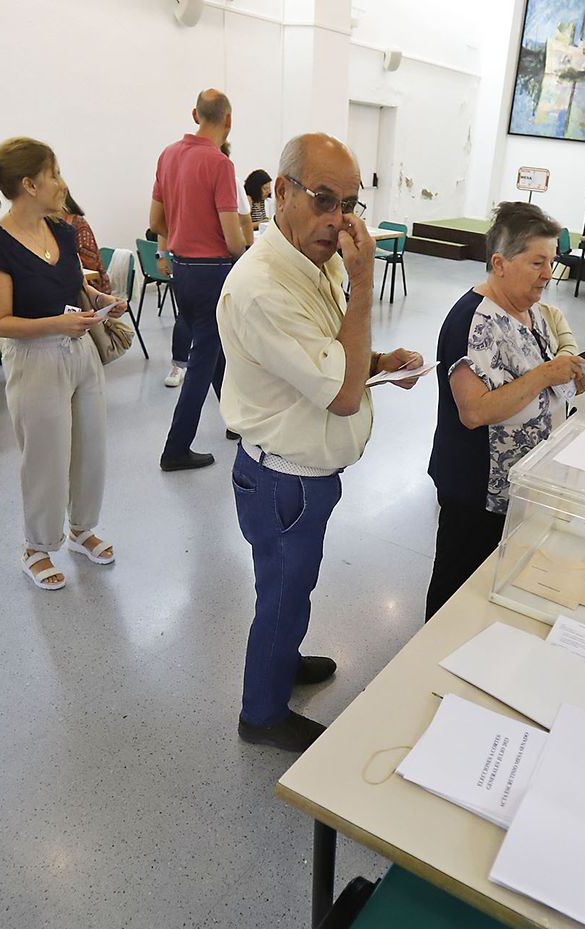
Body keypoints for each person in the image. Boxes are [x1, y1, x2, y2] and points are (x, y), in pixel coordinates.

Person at [217, 132, 424, 752]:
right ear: (281, 192)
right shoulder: (261, 288)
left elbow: (334, 348)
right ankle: (261, 713)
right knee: (281, 592)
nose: (338, 222)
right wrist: (365, 285)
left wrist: (380, 358)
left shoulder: (316, 255)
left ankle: (285, 656)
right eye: (324, 200)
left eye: (349, 205)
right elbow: (338, 392)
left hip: (305, 475)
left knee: (293, 586)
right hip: (283, 481)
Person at [0, 137, 127, 591]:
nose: (61, 183)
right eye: (54, 174)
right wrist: (56, 324)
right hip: (34, 359)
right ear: (29, 184)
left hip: (80, 352)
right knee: (45, 457)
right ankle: (36, 547)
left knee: (91, 446)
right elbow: (0, 322)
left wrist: (100, 300)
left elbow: (75, 285)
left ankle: (82, 530)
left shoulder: (61, 230)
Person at [425, 202, 585, 619]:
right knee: (456, 584)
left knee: (492, 585)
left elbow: (538, 376)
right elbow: (474, 411)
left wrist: (571, 381)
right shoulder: (473, 321)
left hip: (518, 484)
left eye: (550, 261)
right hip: (477, 488)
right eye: (537, 262)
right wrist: (545, 375)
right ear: (499, 263)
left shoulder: (530, 310)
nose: (547, 273)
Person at [151, 89, 246, 462]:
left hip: (182, 269)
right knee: (203, 360)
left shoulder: (168, 155)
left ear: (195, 115)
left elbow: (155, 221)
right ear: (228, 120)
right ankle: (176, 449)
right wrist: (248, 258)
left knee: (214, 349)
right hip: (214, 272)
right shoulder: (220, 164)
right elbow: (232, 236)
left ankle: (235, 420)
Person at [61, 192, 111, 295]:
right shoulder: (50, 227)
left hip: (92, 287)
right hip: (70, 283)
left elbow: (90, 265)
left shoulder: (79, 225)